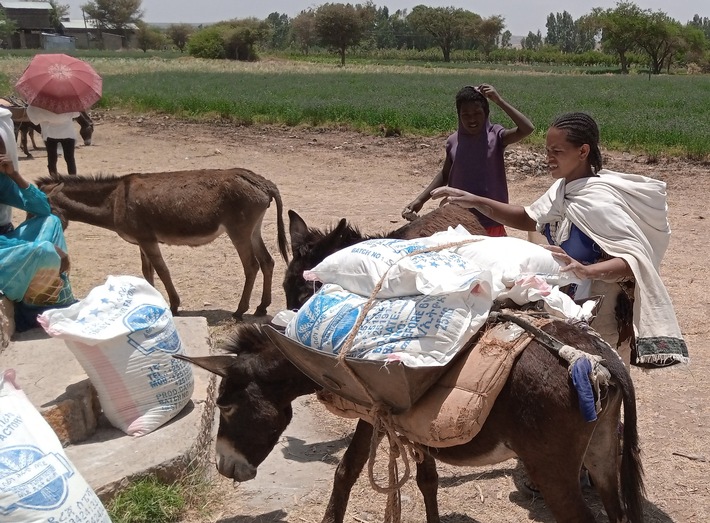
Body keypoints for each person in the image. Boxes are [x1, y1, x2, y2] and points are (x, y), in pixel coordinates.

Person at [431, 111, 688, 368]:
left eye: (557, 151)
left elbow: (634, 261)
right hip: (564, 303)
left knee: (599, 388)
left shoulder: (599, 201)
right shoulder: (563, 190)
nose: (549, 159)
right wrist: (475, 201)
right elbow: (528, 218)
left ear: (583, 151)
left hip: (602, 313)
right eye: (547, 151)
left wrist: (587, 271)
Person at [402, 84, 534, 237]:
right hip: (459, 219)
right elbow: (445, 175)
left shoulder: (496, 136)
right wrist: (420, 200)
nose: (472, 119)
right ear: (458, 115)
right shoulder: (454, 141)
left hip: (490, 218)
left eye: (477, 113)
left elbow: (527, 128)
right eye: (466, 114)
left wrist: (499, 101)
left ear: (486, 113)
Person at [0, 110, 75, 331]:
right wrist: (31, 247)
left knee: (50, 222)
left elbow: (42, 208)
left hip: (6, 243)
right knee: (43, 251)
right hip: (4, 248)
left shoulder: (2, 181)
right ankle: (36, 308)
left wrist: (15, 175)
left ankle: (52, 297)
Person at [26, 104, 80, 178]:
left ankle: (54, 179)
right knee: (70, 159)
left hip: (51, 134)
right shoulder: (68, 102)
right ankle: (73, 180)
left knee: (52, 159)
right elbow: (77, 114)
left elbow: (33, 114)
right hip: (68, 133)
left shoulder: (46, 104)